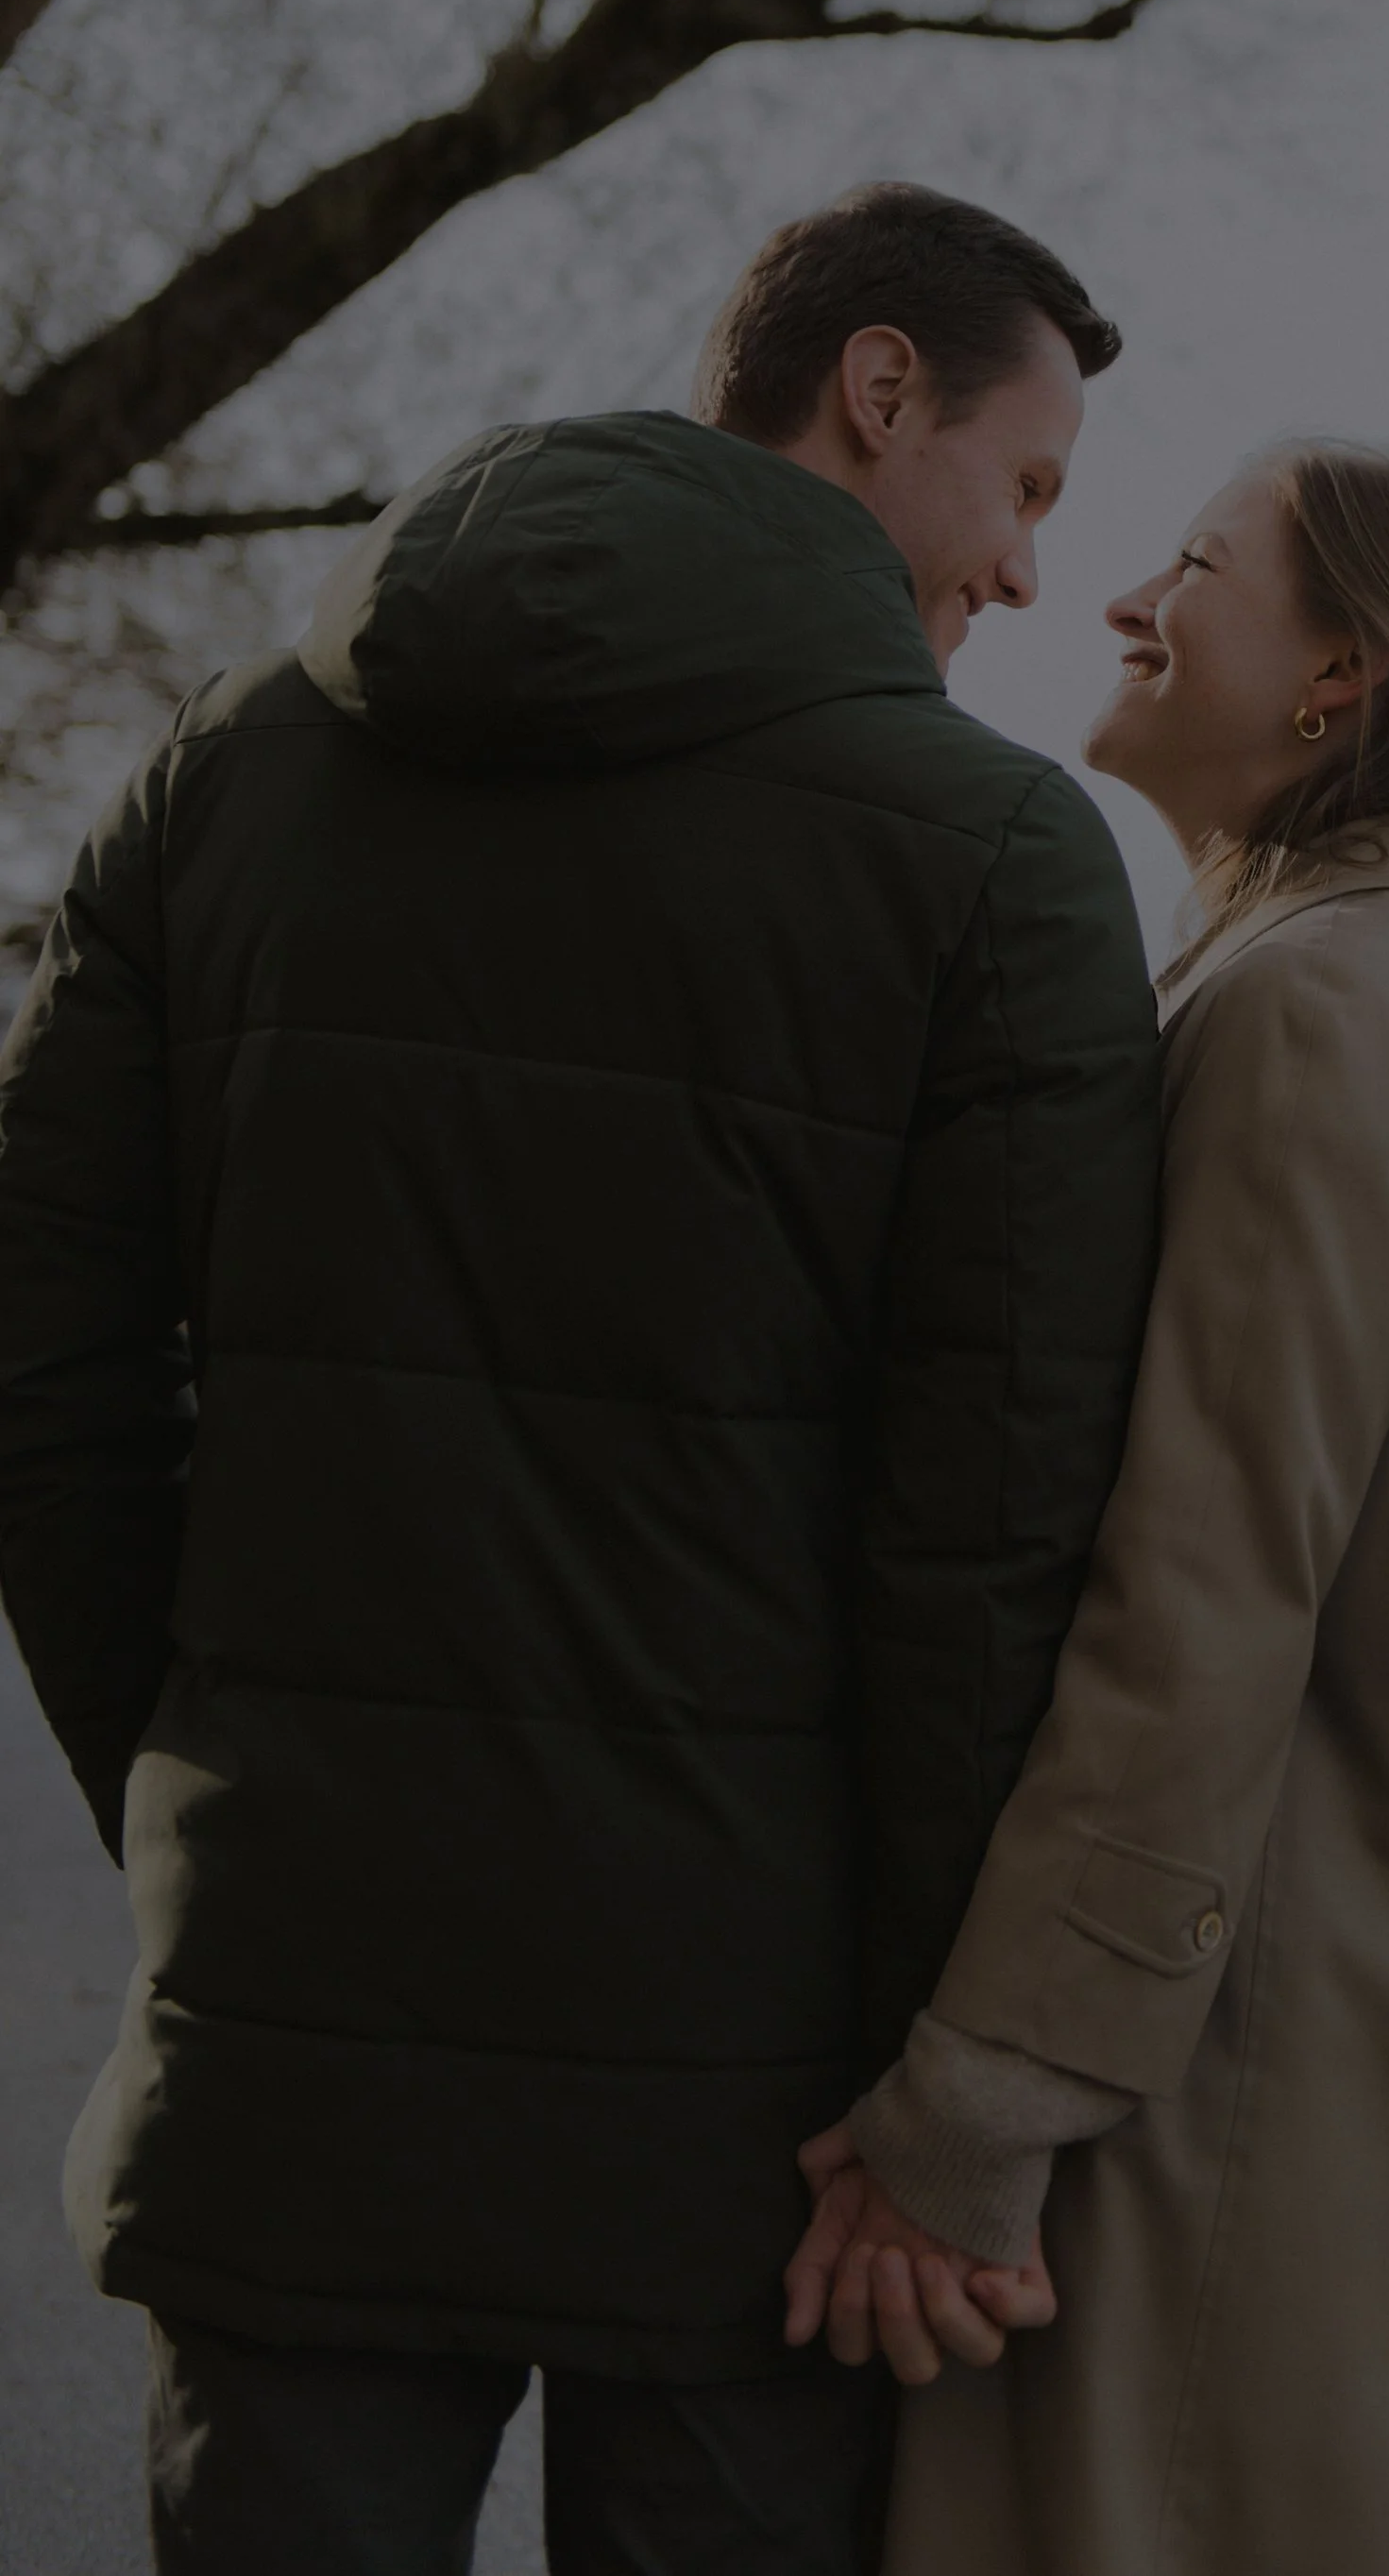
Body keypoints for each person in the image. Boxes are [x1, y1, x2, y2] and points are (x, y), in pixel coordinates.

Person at [0, 184, 1165, 2576]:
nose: (1032, 570)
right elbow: (988, 1544)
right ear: (877, 391)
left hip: (293, 2017)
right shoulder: (995, 865)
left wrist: (206, 1788)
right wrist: (926, 2091)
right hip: (757, 2102)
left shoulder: (218, 773)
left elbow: (45, 1372)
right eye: (1026, 483)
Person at [787, 442, 1389, 2576]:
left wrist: (983, 2101)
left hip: (1227, 2082)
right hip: (1262, 2042)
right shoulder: (1337, 974)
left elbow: (1201, 1603)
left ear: (1340, 673)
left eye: (1198, 564)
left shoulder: (1314, 1005)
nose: (1125, 595)